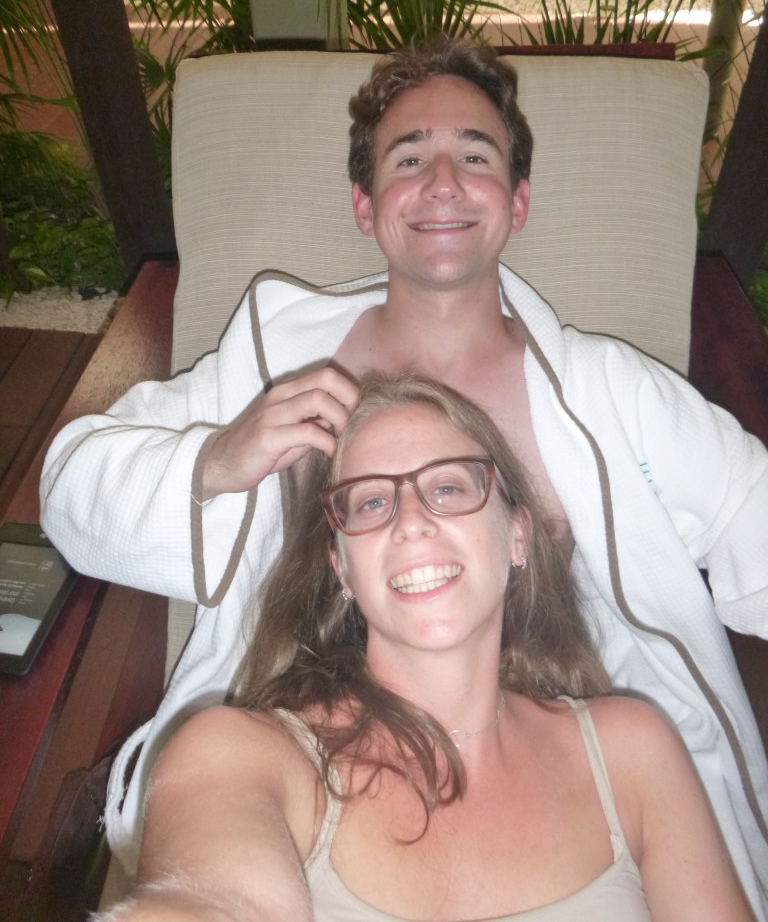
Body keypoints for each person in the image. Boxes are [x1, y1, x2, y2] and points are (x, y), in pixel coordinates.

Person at [39, 37, 768, 914]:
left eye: (476, 156)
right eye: (410, 158)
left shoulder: (614, 396)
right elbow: (69, 485)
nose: (444, 183)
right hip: (319, 779)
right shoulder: (271, 360)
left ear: (518, 200)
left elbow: (753, 520)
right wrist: (219, 458)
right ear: (365, 204)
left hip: (589, 794)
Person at [96, 377, 755, 922]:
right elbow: (212, 896)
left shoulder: (633, 750)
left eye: (447, 488)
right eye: (371, 502)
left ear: (517, 534)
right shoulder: (243, 754)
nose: (411, 521)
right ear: (342, 569)